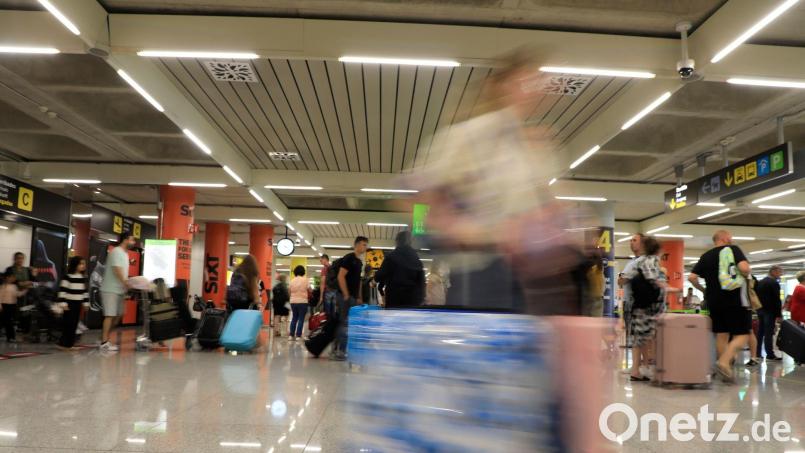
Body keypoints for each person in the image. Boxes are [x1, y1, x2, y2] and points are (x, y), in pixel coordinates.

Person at [406, 48, 584, 315]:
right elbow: (416, 198)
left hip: (529, 276)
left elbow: (543, 209)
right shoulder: (470, 136)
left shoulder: (535, 144)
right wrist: (469, 233)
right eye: (526, 82)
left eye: (539, 82)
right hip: (480, 273)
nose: (535, 90)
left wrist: (563, 222)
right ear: (501, 87)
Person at [689, 230, 751, 383]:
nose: (732, 239)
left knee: (721, 334)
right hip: (734, 298)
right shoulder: (733, 249)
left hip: (713, 300)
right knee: (743, 334)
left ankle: (726, 371)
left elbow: (692, 277)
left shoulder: (706, 256)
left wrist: (703, 290)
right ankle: (724, 362)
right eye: (730, 237)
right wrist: (746, 273)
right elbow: (744, 268)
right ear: (724, 238)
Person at [622, 237, 668, 381]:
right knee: (646, 338)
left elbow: (623, 278)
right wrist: (668, 287)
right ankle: (642, 368)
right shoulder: (650, 261)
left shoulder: (638, 262)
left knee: (640, 338)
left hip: (638, 304)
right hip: (646, 306)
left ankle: (641, 368)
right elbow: (653, 279)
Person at [332, 236, 369, 361]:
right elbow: (340, 276)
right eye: (364, 244)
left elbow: (358, 281)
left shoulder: (359, 262)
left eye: (366, 245)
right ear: (357, 245)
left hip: (352, 297)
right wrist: (346, 294)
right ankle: (338, 351)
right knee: (344, 323)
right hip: (344, 296)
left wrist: (359, 297)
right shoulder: (349, 258)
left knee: (347, 323)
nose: (365, 247)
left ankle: (340, 349)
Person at [99, 232, 135, 352]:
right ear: (125, 240)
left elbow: (123, 272)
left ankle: (105, 337)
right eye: (132, 240)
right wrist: (126, 282)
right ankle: (104, 342)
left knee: (119, 315)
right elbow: (116, 270)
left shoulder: (125, 254)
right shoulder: (116, 252)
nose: (133, 242)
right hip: (110, 289)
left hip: (120, 290)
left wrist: (127, 284)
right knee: (110, 315)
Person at [374, 231, 425, 308]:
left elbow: (379, 276)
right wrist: (421, 298)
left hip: (394, 299)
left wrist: (374, 279)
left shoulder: (391, 257)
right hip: (412, 300)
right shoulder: (416, 259)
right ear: (410, 242)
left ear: (397, 241)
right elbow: (421, 281)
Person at [56, 256, 89, 351]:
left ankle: (70, 344)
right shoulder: (68, 277)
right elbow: (62, 291)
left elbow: (84, 292)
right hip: (69, 304)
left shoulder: (82, 278)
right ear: (75, 265)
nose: (83, 266)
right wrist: (63, 304)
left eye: (84, 264)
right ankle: (64, 344)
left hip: (78, 304)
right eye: (81, 264)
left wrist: (86, 303)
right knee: (68, 325)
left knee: (74, 324)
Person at [618, 234, 645, 349]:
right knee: (634, 335)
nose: (631, 242)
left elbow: (622, 280)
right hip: (629, 302)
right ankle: (639, 363)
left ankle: (642, 362)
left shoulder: (641, 261)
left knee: (638, 335)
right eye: (630, 240)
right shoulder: (632, 262)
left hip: (636, 303)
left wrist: (623, 277)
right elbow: (621, 280)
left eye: (634, 240)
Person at [755, 266, 783, 361]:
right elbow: (776, 300)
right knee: (768, 333)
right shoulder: (774, 283)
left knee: (760, 332)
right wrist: (779, 314)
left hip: (760, 310)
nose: (780, 274)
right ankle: (770, 354)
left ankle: (757, 353)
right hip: (769, 312)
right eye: (779, 272)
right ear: (773, 272)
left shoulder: (761, 282)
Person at [288, 266, 309, 341]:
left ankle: (291, 335)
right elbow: (309, 290)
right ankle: (298, 336)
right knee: (301, 319)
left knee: (294, 318)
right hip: (303, 301)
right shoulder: (305, 280)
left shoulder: (292, 281)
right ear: (303, 271)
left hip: (293, 301)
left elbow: (289, 292)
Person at [0, 270, 20, 342]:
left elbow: (17, 294)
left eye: (13, 277)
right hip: (4, 305)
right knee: (7, 322)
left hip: (12, 306)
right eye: (11, 277)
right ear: (7, 278)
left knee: (8, 322)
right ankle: (11, 337)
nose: (13, 278)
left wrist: (25, 290)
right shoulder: (3, 286)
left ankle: (10, 337)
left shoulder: (14, 286)